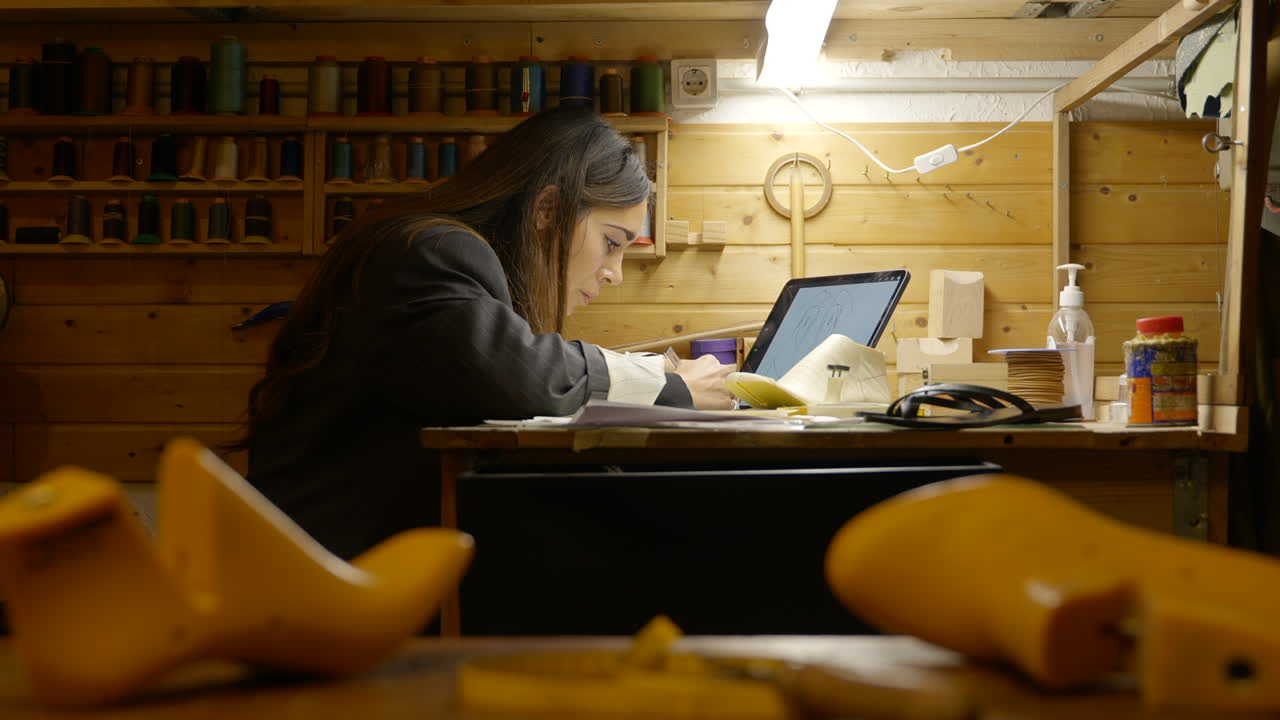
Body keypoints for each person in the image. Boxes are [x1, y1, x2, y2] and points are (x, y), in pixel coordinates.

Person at [237, 107, 735, 562]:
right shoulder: (429, 252)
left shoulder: (438, 254)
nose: (614, 273)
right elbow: (522, 375)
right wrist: (672, 386)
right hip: (325, 571)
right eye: (610, 243)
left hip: (352, 552)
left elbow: (514, 363)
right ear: (547, 210)